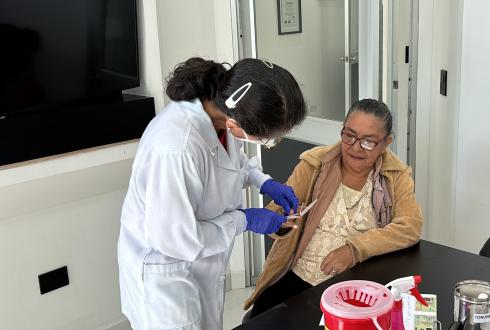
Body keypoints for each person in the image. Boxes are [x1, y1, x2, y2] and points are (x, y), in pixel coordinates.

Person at [117, 57, 306, 330]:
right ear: (236, 123)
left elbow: (231, 162)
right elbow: (177, 239)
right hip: (166, 276)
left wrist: (263, 182)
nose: (269, 144)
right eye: (268, 139)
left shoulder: (219, 116)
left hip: (199, 268)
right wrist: (244, 219)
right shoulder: (175, 149)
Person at [243, 99, 423, 320]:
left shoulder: (395, 176)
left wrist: (354, 250)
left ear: (386, 142)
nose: (356, 147)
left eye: (368, 141)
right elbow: (277, 213)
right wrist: (279, 221)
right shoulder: (315, 164)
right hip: (301, 277)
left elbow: (410, 227)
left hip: (358, 288)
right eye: (349, 135)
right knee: (262, 320)